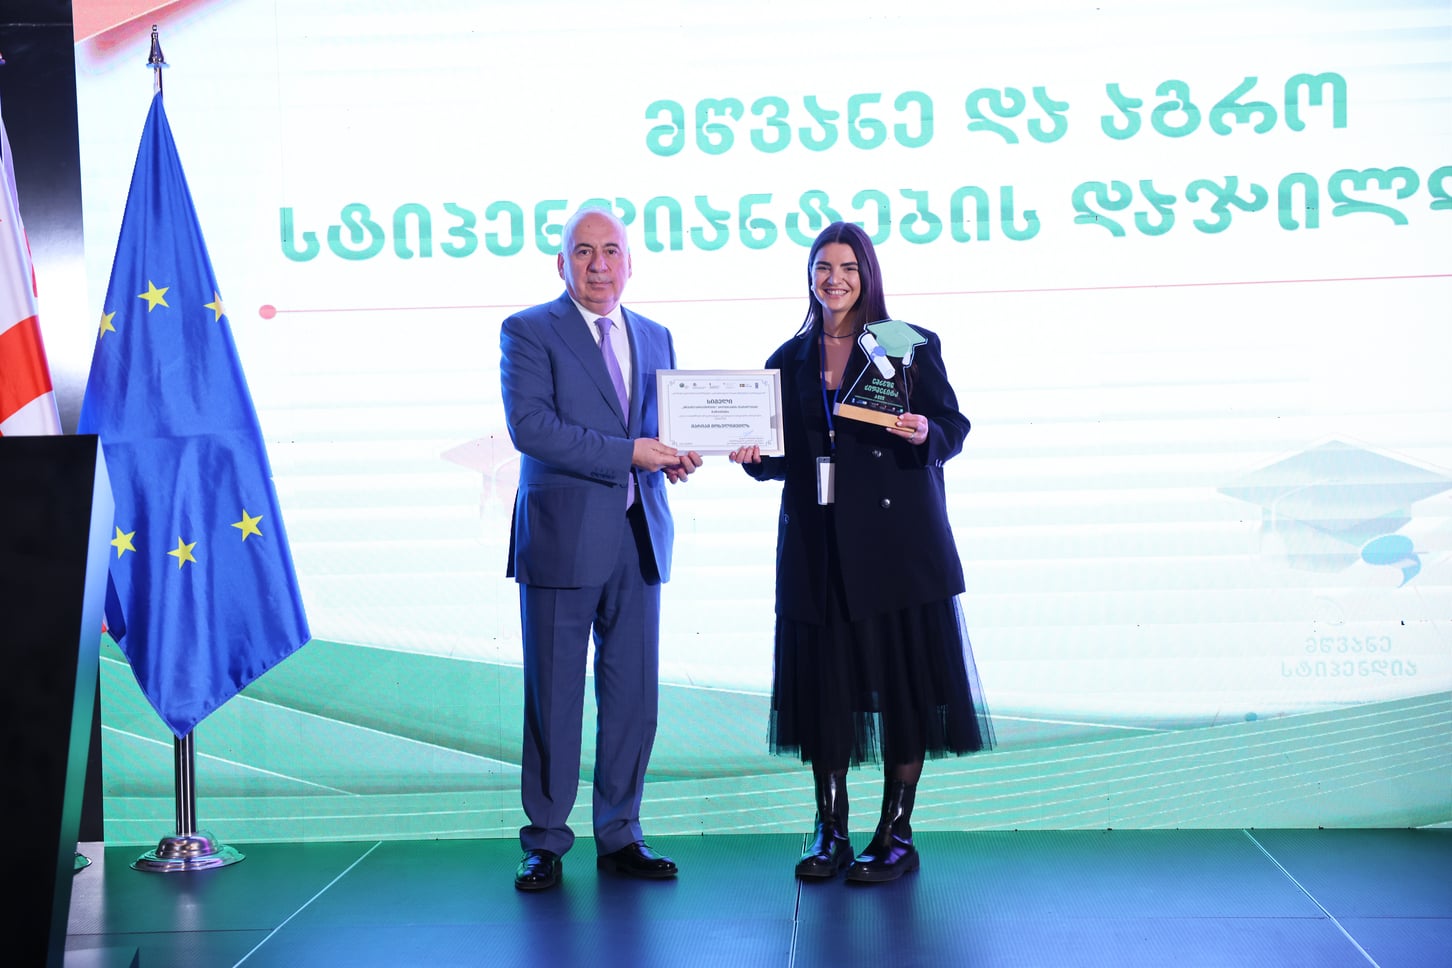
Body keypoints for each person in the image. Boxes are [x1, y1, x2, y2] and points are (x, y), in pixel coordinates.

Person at [730, 221, 993, 883]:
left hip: (899, 546)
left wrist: (926, 430)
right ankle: (831, 831)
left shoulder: (904, 342)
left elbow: (953, 425)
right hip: (818, 549)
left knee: (905, 688)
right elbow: (781, 458)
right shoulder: (787, 358)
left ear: (867, 274)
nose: (836, 279)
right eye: (824, 267)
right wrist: (753, 458)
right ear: (810, 276)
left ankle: (896, 834)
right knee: (828, 692)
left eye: (848, 267)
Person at [500, 205, 702, 891]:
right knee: (554, 698)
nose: (598, 265)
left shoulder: (656, 335)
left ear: (629, 263)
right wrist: (630, 453)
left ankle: (621, 834)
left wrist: (674, 457)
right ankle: (545, 841)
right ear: (562, 263)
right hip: (562, 540)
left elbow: (657, 432)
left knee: (632, 699)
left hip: (638, 538)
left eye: (610, 251)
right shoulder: (529, 330)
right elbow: (532, 428)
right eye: (583, 252)